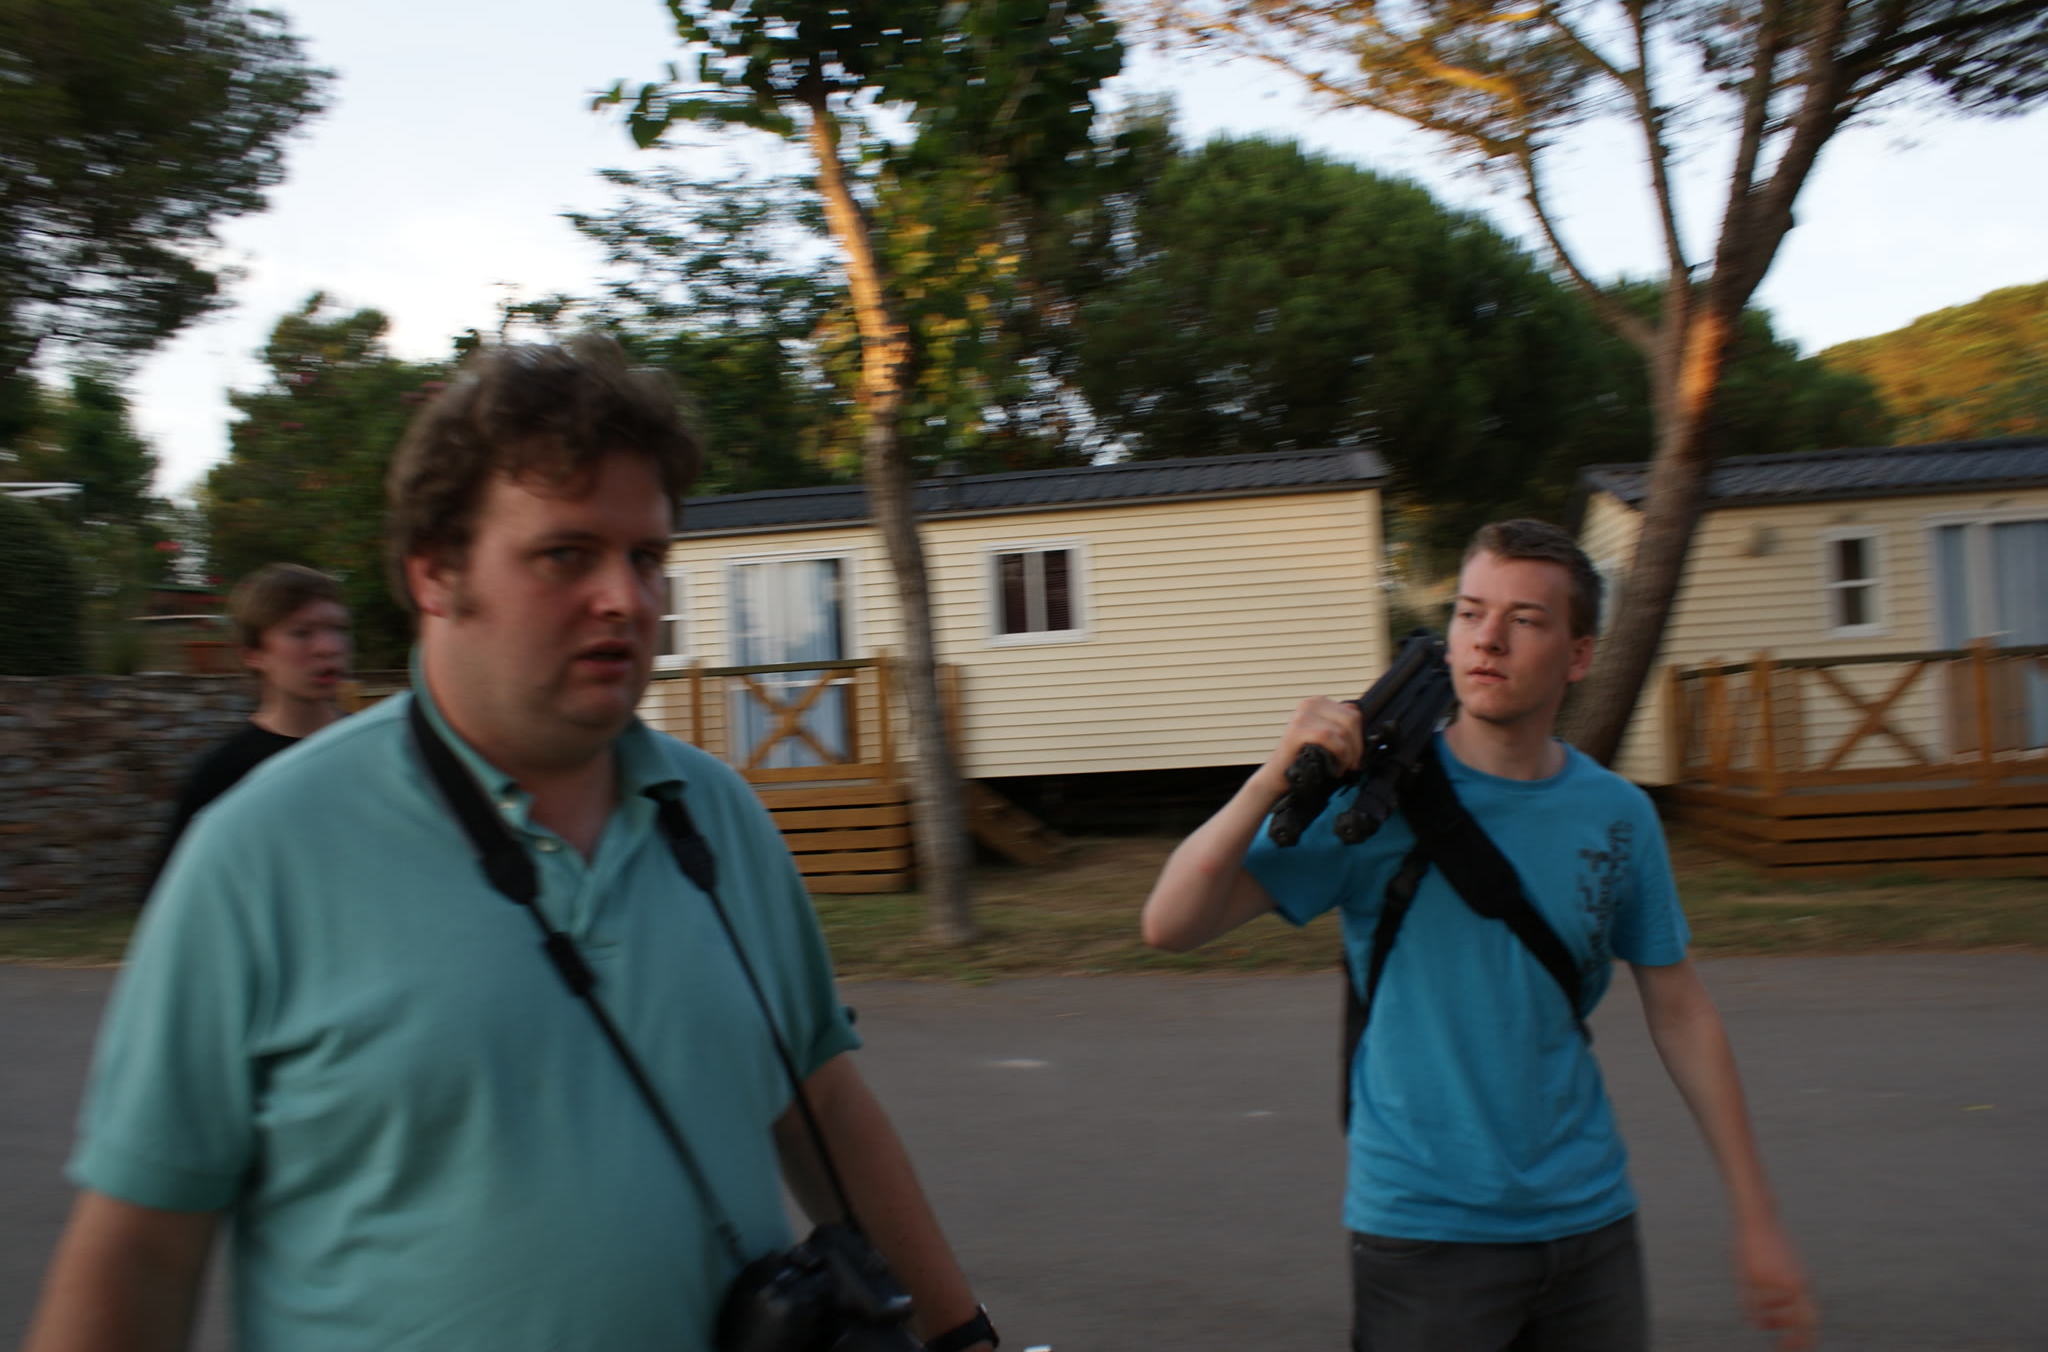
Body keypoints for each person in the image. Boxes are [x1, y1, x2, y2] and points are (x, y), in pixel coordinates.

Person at [27, 336, 997, 1352]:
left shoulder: (718, 815)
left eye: (646, 557)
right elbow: (141, 1246)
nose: (626, 598)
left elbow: (822, 1103)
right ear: (436, 574)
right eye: (566, 554)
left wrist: (962, 1336)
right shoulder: (257, 854)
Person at [1141, 518, 1818, 1352]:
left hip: (1593, 1225)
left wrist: (1757, 1214)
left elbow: (1680, 1011)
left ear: (1578, 655)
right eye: (1469, 612)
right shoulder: (1373, 807)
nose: (1488, 638)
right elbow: (1169, 923)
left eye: (1524, 619)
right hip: (1425, 1233)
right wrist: (1271, 778)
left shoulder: (1619, 815)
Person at [145, 563, 353, 891]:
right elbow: (172, 897)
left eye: (338, 629)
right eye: (302, 633)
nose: (329, 647)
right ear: (254, 655)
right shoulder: (224, 775)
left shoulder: (380, 749)